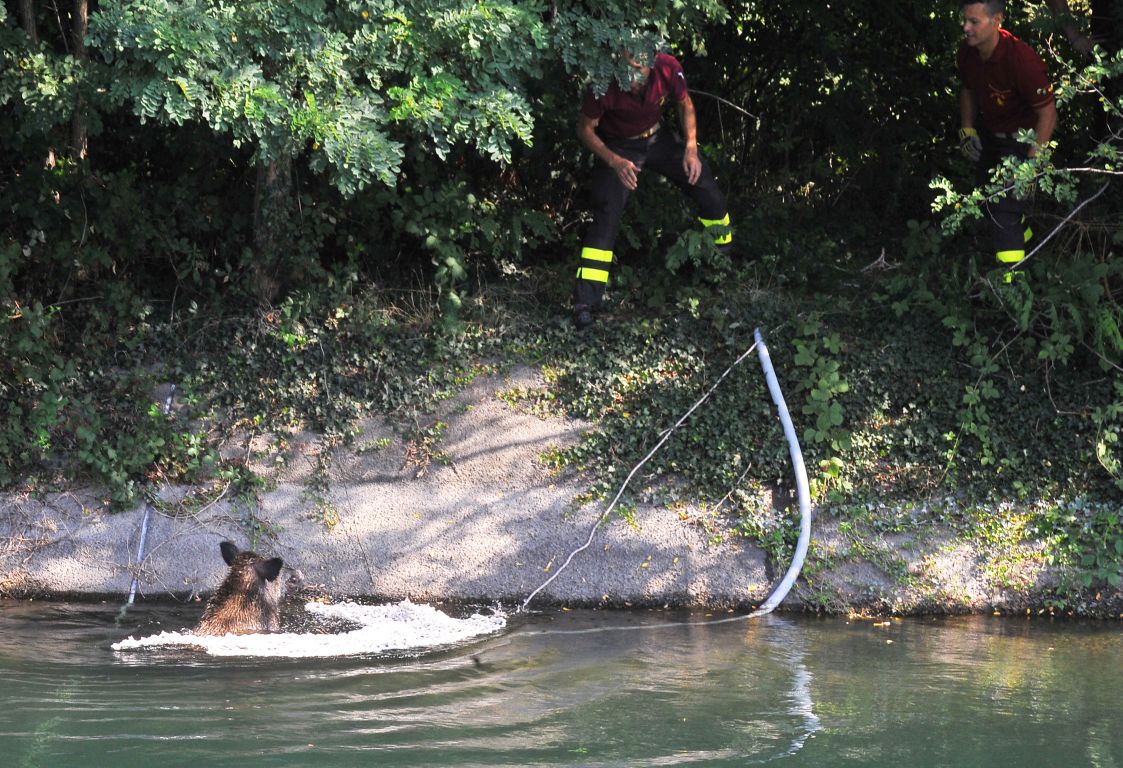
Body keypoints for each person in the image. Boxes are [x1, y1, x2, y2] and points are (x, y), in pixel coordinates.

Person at [571, 50, 732, 329]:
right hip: (619, 147)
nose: (633, 80)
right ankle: (585, 302)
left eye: (639, 72)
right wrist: (615, 161)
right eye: (628, 70)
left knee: (705, 186)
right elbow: (585, 129)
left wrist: (691, 148)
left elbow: (685, 104)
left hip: (659, 139)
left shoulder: (668, 67)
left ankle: (721, 264)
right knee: (607, 212)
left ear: (650, 64)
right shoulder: (603, 82)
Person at [958, 0, 1057, 283]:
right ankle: (1032, 249)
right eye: (965, 21)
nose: (966, 28)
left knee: (1003, 214)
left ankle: (1011, 289)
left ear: (997, 20)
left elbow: (1048, 114)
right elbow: (967, 89)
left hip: (1022, 141)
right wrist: (967, 129)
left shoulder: (1022, 60)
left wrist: (1032, 164)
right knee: (991, 204)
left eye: (974, 22)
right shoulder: (968, 52)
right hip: (991, 138)